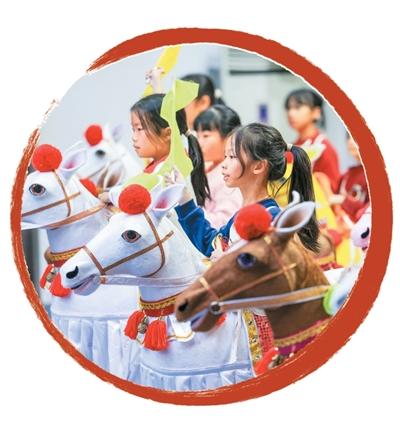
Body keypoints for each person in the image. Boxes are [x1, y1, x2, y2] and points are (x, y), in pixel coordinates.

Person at [169, 123, 319, 258]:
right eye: (225, 156)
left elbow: (259, 270)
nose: (224, 164)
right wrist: (185, 200)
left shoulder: (271, 218)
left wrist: (225, 259)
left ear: (259, 166)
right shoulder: (243, 214)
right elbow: (210, 243)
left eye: (232, 156)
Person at [129, 93, 210, 207]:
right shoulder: (161, 165)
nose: (134, 137)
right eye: (133, 129)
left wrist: (112, 196)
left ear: (167, 133)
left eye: (139, 129)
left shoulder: (172, 172)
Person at [194, 105, 243, 227]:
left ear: (229, 138)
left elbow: (225, 221)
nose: (199, 142)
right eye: (197, 136)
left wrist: (190, 212)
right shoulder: (207, 167)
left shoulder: (229, 174)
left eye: (205, 136)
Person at [285, 88, 341, 193]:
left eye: (297, 107)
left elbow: (333, 190)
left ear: (316, 112)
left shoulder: (324, 147)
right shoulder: (292, 146)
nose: (290, 113)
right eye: (288, 108)